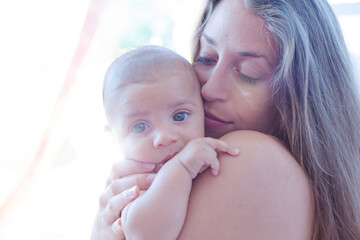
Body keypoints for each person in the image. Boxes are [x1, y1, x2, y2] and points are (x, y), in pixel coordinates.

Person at [92, 0, 360, 239]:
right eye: (206, 58)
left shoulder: (252, 160)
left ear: (300, 100)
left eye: (247, 73)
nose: (209, 89)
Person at [101, 45, 240, 240]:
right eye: (140, 127)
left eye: (180, 116)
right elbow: (146, 233)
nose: (164, 137)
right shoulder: (138, 182)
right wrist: (181, 167)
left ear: (204, 112)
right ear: (114, 139)